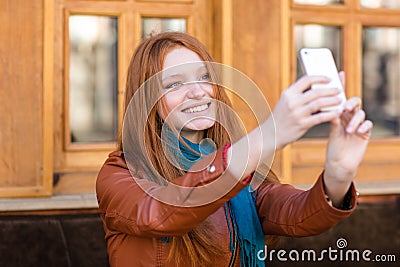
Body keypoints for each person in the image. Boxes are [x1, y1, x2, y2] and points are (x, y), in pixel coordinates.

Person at [96, 32, 373, 267]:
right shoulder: (118, 174)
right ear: (148, 102)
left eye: (204, 77)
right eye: (175, 84)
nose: (197, 91)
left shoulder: (243, 174)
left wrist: (339, 173)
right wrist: (270, 133)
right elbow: (161, 212)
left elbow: (298, 213)